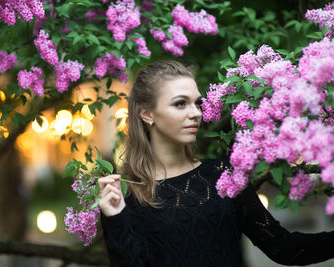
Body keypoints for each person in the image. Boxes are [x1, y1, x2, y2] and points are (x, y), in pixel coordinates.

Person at [97, 60, 334, 267]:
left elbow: (283, 248)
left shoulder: (223, 176)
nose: (196, 113)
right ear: (147, 114)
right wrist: (115, 218)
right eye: (181, 103)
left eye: (197, 103)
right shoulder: (128, 195)